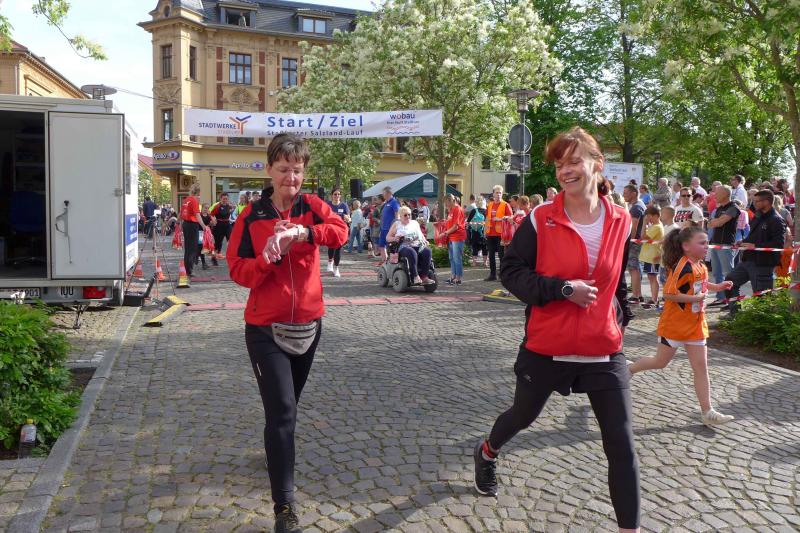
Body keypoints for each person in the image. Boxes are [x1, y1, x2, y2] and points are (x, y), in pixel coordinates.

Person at [473, 127, 639, 533]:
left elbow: (617, 280)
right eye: (560, 164)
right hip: (547, 347)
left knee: (621, 445)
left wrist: (622, 317)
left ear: (597, 165)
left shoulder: (621, 220)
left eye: (574, 161)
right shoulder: (540, 218)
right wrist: (561, 289)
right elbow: (512, 272)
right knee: (522, 416)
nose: (566, 171)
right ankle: (487, 452)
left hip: (603, 349)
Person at [227, 134, 348, 533]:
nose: (290, 178)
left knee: (287, 409)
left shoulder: (312, 206)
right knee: (282, 412)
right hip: (265, 328)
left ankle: (275, 449)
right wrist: (265, 259)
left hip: (309, 324)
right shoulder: (251, 215)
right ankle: (285, 507)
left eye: (297, 171)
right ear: (269, 170)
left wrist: (303, 234)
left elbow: (340, 232)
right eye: (283, 170)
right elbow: (236, 269)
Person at [629, 226, 734, 426]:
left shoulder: (700, 265)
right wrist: (696, 298)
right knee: (660, 362)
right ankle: (630, 369)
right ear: (686, 246)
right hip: (675, 325)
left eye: (707, 242)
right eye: (702, 243)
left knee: (701, 368)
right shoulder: (682, 266)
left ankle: (707, 411)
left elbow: (700, 284)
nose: (707, 246)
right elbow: (669, 294)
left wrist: (717, 287)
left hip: (696, 324)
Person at [724, 189, 787, 316]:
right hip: (748, 259)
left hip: (763, 263)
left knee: (761, 295)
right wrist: (742, 242)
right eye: (754, 201)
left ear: (767, 202)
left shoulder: (776, 220)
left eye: (757, 201)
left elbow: (778, 244)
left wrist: (756, 246)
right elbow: (753, 237)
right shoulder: (758, 216)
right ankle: (735, 314)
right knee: (729, 282)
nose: (754, 204)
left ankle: (762, 321)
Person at [706, 185, 740, 306]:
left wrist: (715, 222)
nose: (714, 195)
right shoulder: (720, 208)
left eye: (717, 193)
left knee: (728, 273)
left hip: (726, 244)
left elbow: (719, 223)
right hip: (715, 243)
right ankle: (721, 298)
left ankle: (732, 300)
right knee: (717, 273)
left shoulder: (733, 207)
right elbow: (710, 224)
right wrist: (715, 222)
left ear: (725, 194)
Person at [386, 206, 434, 285]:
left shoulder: (415, 223)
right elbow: (388, 238)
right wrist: (395, 238)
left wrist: (425, 241)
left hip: (417, 244)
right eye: (405, 215)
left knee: (427, 251)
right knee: (411, 252)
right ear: (400, 216)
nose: (408, 216)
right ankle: (415, 276)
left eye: (409, 214)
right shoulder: (397, 224)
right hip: (403, 246)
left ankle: (424, 276)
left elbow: (421, 235)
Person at [623, 184, 646, 304]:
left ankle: (635, 295)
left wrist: (630, 241)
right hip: (636, 241)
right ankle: (639, 294)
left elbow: (634, 226)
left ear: (634, 194)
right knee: (634, 268)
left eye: (626, 193)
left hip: (634, 242)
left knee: (633, 268)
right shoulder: (637, 205)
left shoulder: (636, 207)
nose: (624, 195)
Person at [484, 185, 511, 281]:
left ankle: (502, 275)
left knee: (501, 255)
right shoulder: (490, 204)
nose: (499, 194)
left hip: (501, 234)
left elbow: (510, 217)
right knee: (491, 255)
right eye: (497, 192)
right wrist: (485, 231)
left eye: (500, 193)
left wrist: (500, 219)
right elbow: (487, 218)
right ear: (493, 194)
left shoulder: (505, 205)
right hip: (490, 233)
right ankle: (493, 275)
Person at [180, 183, 207, 277]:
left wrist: (178, 223)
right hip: (192, 225)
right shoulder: (194, 201)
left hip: (185, 224)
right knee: (192, 248)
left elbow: (181, 213)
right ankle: (189, 271)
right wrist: (204, 226)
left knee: (187, 248)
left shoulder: (186, 200)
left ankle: (187, 269)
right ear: (198, 192)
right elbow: (197, 215)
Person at [639, 206, 664, 309]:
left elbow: (643, 237)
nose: (648, 219)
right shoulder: (654, 226)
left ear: (656, 216)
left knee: (653, 277)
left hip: (653, 256)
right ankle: (654, 298)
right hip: (650, 256)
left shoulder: (657, 227)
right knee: (651, 277)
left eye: (649, 216)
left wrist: (644, 223)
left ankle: (654, 299)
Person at [442, 194, 466, 285]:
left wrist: (445, 233)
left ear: (451, 200)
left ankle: (458, 278)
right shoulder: (451, 210)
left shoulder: (457, 209)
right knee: (452, 258)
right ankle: (453, 277)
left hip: (457, 237)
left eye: (446, 203)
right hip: (451, 237)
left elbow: (456, 226)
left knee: (457, 258)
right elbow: (450, 223)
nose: (445, 205)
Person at [326, 188, 349, 277]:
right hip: (331, 229)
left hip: (340, 230)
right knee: (331, 247)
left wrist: (347, 218)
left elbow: (348, 217)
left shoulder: (344, 205)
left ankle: (336, 268)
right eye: (335, 194)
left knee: (338, 248)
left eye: (338, 194)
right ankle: (330, 261)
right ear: (332, 195)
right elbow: (324, 215)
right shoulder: (328, 205)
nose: (337, 196)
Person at [210, 193, 235, 263]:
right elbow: (211, 214)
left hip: (227, 225)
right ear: (220, 199)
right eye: (223, 199)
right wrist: (213, 220)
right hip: (219, 225)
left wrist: (233, 210)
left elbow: (231, 212)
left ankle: (231, 256)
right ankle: (213, 257)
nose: (225, 200)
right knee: (218, 243)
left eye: (226, 199)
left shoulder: (229, 206)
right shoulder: (217, 206)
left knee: (231, 240)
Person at [378, 187, 400, 264]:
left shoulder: (394, 202)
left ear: (389, 193)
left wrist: (395, 227)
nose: (382, 195)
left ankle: (392, 262)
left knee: (391, 246)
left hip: (390, 229)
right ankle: (384, 261)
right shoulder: (386, 203)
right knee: (381, 245)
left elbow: (397, 215)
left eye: (383, 193)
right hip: (383, 228)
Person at [467, 197, 486, 266]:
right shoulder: (486, 211)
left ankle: (474, 262)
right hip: (483, 231)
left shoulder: (473, 211)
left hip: (475, 231)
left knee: (474, 246)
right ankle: (485, 262)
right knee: (484, 247)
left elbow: (468, 222)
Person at [197, 203, 213, 270]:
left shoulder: (209, 216)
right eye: (205, 208)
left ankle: (197, 257)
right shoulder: (199, 215)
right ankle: (203, 263)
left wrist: (212, 222)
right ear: (202, 208)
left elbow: (211, 224)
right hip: (199, 233)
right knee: (201, 247)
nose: (206, 209)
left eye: (207, 208)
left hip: (206, 234)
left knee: (204, 247)